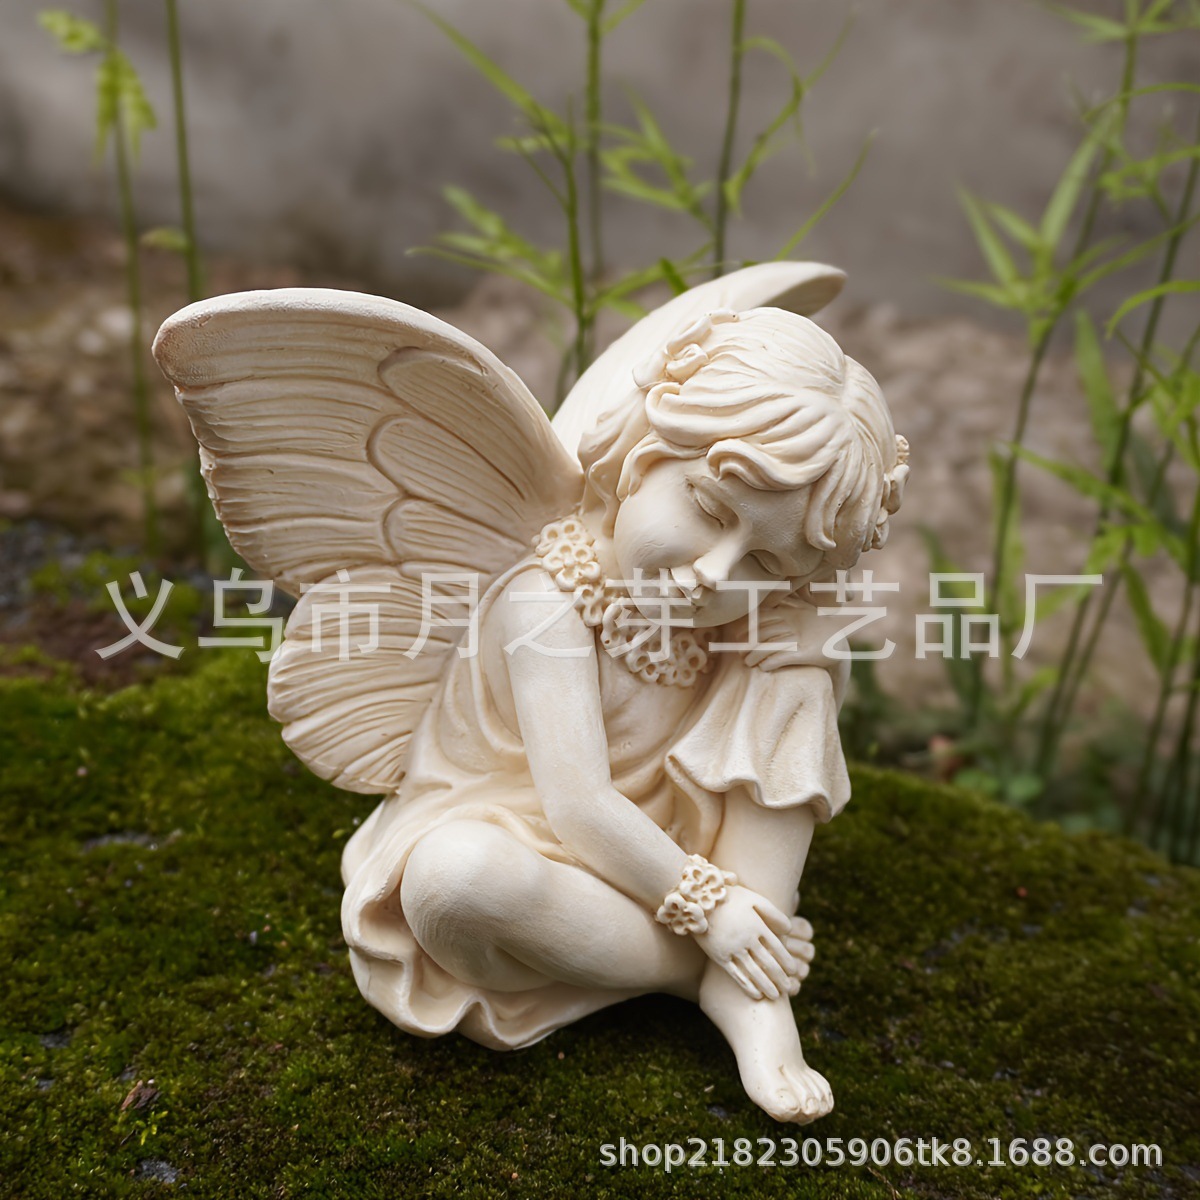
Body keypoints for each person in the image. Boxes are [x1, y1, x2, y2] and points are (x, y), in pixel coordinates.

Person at [340, 305, 909, 1124]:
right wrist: (714, 914)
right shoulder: (548, 604)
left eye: (764, 562)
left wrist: (820, 653)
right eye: (710, 510)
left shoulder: (737, 617)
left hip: (676, 850)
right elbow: (577, 804)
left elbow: (804, 723)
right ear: (642, 458)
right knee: (453, 880)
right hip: (539, 844)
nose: (713, 573)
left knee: (797, 667)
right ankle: (718, 971)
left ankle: (750, 979)